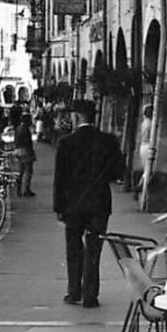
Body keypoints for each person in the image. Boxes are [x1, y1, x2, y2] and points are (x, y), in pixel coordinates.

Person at [53, 104, 125, 308]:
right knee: (94, 250)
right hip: (99, 202)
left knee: (73, 248)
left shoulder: (66, 143)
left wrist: (59, 206)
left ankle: (74, 291)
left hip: (73, 204)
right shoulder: (108, 141)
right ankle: (90, 295)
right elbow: (118, 172)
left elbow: (60, 178)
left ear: (76, 117)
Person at [10, 107, 37, 196]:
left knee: (21, 171)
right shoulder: (25, 129)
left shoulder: (18, 128)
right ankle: (26, 189)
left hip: (18, 150)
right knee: (28, 170)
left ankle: (19, 190)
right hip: (25, 151)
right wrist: (32, 152)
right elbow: (27, 142)